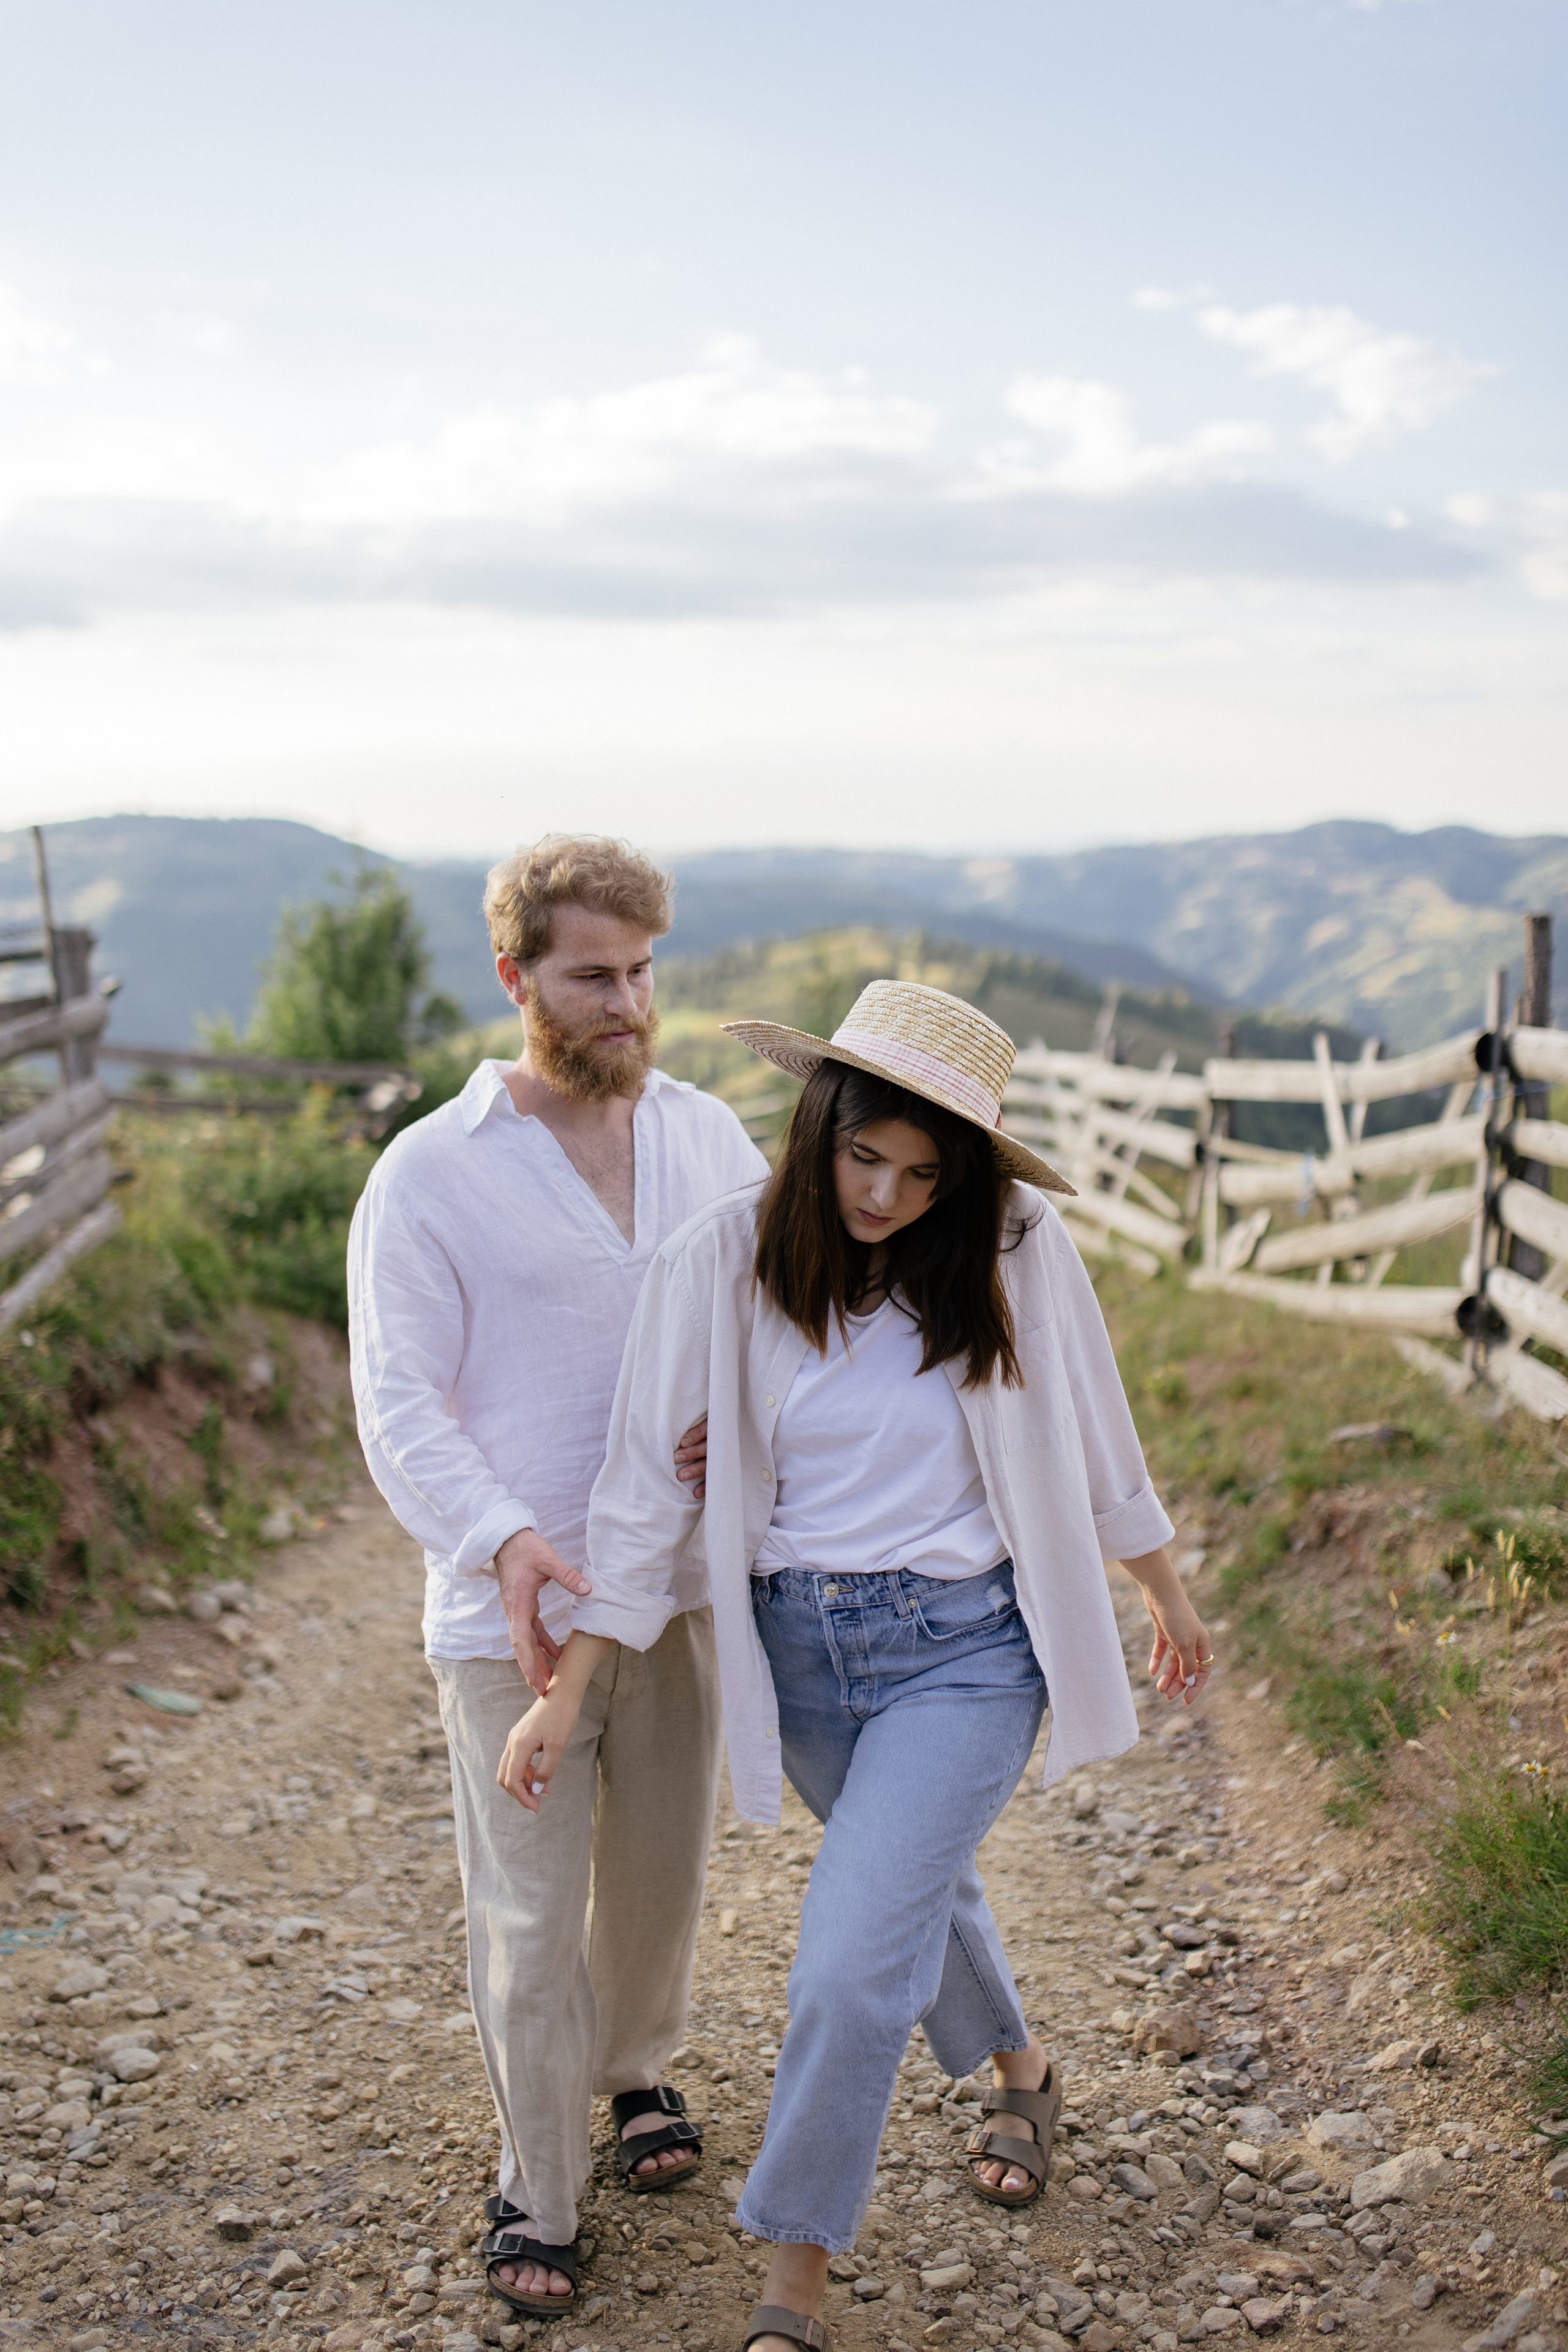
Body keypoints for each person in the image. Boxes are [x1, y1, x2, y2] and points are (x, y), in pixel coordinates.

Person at [496, 979, 1214, 2352]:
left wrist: (1162, 1592)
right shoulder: (717, 1260)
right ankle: (1024, 2071)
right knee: (910, 1895)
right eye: (863, 1156)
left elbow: (1092, 1429)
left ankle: (791, 2284)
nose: (887, 1194)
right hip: (799, 1659)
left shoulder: (1008, 1242)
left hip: (964, 1657)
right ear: (817, 1122)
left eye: (922, 1173)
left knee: (842, 1967)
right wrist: (565, 1689)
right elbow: (644, 1494)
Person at [347, 835, 767, 2321]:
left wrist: (751, 1423)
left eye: (643, 972)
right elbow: (398, 1403)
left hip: (678, 1596)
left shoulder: (713, 1142)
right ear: (516, 976)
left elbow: (783, 1326)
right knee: (527, 1917)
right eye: (593, 975)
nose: (627, 1002)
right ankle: (537, 2180)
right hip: (508, 1617)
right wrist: (503, 1538)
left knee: (656, 1883)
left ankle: (634, 2069)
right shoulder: (429, 1174)